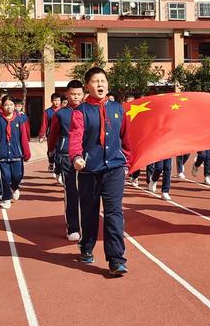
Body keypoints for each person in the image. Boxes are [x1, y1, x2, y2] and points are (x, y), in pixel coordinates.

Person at [69, 67, 131, 275]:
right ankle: (86, 246)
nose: (100, 84)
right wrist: (76, 157)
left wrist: (127, 162)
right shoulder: (81, 112)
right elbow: (76, 137)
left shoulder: (117, 109)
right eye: (95, 81)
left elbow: (125, 138)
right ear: (87, 86)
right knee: (89, 213)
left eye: (103, 80)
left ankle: (116, 259)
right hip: (89, 170)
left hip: (114, 168)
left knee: (114, 213)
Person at [48, 80, 84, 241]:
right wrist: (51, 154)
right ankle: (73, 227)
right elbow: (53, 135)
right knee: (71, 192)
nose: (75, 97)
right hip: (65, 156)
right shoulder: (60, 114)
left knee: (87, 192)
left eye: (78, 94)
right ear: (67, 94)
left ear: (83, 94)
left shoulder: (89, 110)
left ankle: (86, 223)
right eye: (72, 94)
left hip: (86, 157)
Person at [0, 95, 31, 210]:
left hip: (16, 154)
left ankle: (14, 188)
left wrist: (26, 153)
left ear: (14, 106)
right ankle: (6, 198)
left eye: (11, 104)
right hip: (1, 155)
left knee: (17, 176)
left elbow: (24, 137)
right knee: (5, 178)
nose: (9, 107)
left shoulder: (19, 119)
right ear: (2, 106)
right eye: (6, 105)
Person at [39, 92, 62, 172]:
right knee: (51, 150)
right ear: (51, 101)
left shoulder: (63, 110)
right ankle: (51, 162)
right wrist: (42, 135)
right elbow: (44, 124)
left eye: (58, 100)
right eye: (55, 100)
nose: (57, 102)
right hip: (51, 135)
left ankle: (59, 167)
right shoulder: (47, 112)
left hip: (61, 135)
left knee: (60, 150)